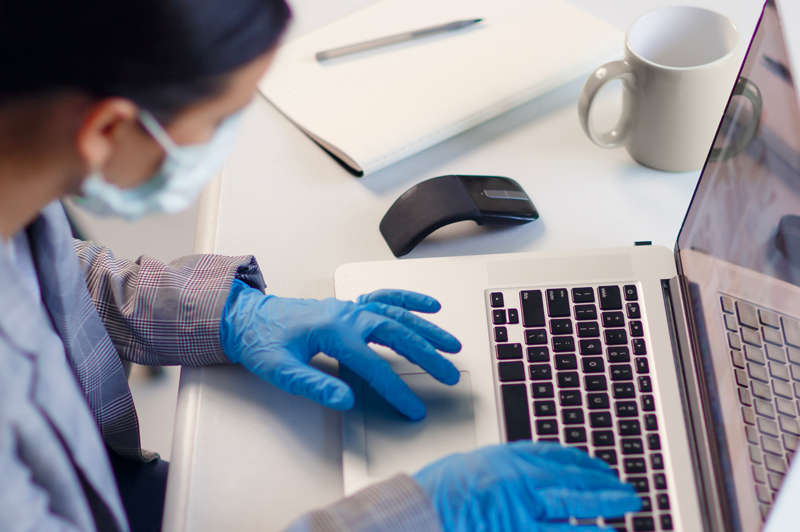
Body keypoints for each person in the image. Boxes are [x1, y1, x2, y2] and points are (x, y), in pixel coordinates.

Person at [0, 1, 641, 531]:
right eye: (218, 119)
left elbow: (46, 277)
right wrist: (413, 516)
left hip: (98, 475)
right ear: (106, 130)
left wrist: (226, 313)